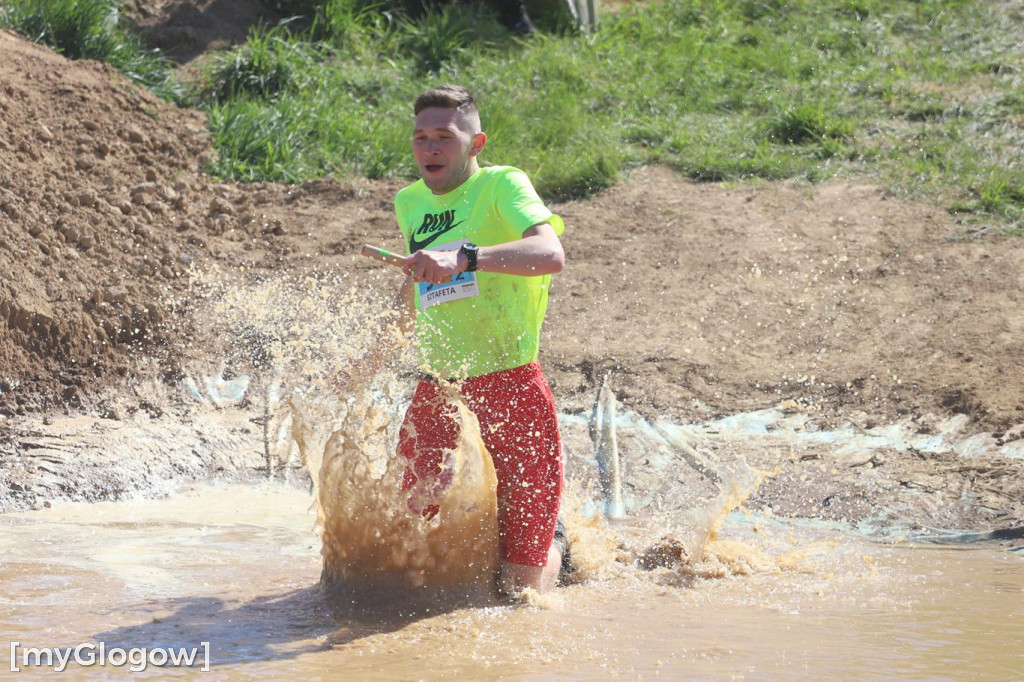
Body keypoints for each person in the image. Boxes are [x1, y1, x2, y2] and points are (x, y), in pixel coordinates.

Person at [351, 84, 568, 595]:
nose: (430, 148)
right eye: (421, 137)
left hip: (512, 383)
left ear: (476, 143)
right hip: (440, 388)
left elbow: (550, 253)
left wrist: (466, 256)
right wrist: (371, 359)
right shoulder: (409, 202)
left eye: (445, 137)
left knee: (520, 588)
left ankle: (558, 542)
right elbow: (417, 282)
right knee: (410, 547)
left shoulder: (502, 185)